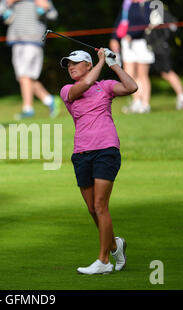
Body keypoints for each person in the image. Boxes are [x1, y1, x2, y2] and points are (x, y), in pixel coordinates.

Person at [59, 49, 137, 274]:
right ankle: (115, 245)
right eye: (68, 64)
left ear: (87, 64)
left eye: (75, 63)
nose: (71, 67)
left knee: (101, 205)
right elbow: (83, 86)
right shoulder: (67, 90)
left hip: (106, 149)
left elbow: (131, 87)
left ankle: (103, 261)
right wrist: (102, 61)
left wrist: (113, 64)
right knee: (92, 208)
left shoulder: (105, 86)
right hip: (82, 152)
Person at [0, 0, 60, 120]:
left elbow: (54, 15)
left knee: (25, 76)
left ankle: (28, 109)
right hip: (16, 40)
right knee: (25, 78)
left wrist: (45, 7)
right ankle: (50, 100)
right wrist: (9, 3)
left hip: (33, 41)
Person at [110, 0, 154, 114]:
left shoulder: (147, 3)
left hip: (142, 42)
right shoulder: (127, 3)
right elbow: (120, 21)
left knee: (142, 74)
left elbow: (146, 22)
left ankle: (145, 104)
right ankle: (136, 102)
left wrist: (132, 34)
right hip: (127, 43)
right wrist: (114, 38)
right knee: (130, 74)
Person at [145, 5, 183, 110]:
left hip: (161, 46)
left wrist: (160, 39)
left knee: (167, 72)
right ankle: (182, 97)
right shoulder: (149, 5)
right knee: (165, 73)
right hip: (155, 46)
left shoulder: (156, 5)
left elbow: (170, 25)